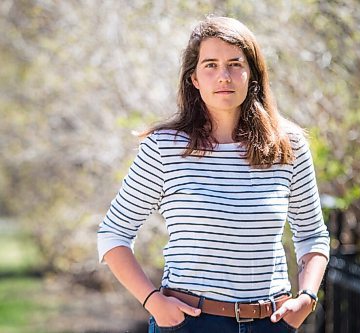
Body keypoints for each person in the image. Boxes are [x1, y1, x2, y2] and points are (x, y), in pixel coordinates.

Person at [97, 16, 330, 333]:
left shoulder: (287, 145)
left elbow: (312, 235)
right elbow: (113, 234)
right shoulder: (164, 147)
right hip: (189, 323)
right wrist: (153, 302)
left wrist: (306, 298)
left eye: (235, 64)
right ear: (193, 77)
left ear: (252, 73)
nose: (224, 76)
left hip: (272, 323)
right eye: (210, 65)